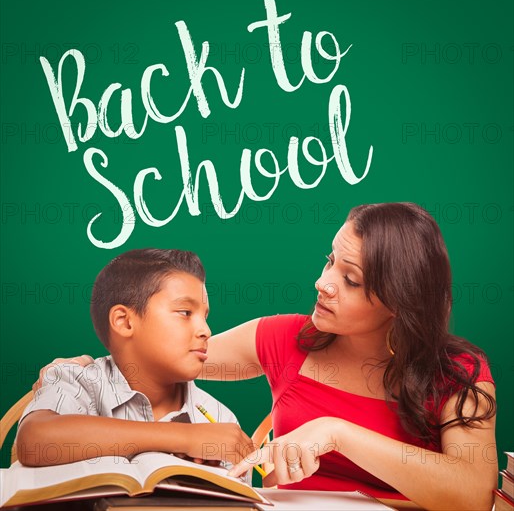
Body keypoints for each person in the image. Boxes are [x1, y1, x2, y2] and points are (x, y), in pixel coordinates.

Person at [37, 203, 497, 510]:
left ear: (400, 300)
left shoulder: (458, 372)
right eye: (328, 261)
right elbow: (165, 352)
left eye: (350, 279)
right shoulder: (284, 338)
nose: (324, 282)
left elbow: (474, 494)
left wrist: (338, 433)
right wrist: (96, 364)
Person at [18, 249, 253, 467]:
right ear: (125, 321)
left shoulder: (219, 419)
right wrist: (183, 437)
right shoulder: (79, 382)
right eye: (185, 313)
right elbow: (34, 440)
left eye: (205, 316)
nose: (206, 330)